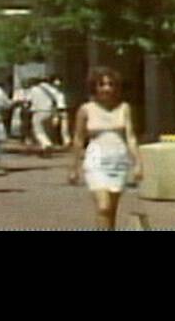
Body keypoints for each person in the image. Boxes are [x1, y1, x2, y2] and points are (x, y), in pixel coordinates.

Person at [69, 67, 142, 230]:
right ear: (95, 87)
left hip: (119, 161)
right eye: (101, 84)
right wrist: (73, 167)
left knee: (111, 210)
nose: (107, 88)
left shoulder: (124, 108)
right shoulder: (86, 109)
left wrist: (138, 163)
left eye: (111, 84)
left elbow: (131, 137)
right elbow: (79, 139)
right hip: (97, 162)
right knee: (104, 207)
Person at [27, 75, 59, 157]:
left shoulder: (33, 89)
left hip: (38, 112)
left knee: (38, 131)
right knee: (48, 131)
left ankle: (46, 145)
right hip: (49, 112)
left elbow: (28, 100)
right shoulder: (52, 89)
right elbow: (57, 101)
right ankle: (46, 148)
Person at [50, 75, 71, 147]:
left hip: (63, 109)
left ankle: (66, 142)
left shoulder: (62, 92)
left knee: (64, 127)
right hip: (56, 110)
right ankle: (55, 142)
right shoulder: (51, 92)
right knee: (54, 127)